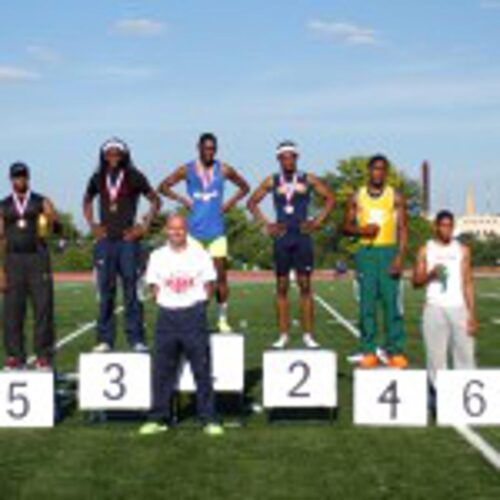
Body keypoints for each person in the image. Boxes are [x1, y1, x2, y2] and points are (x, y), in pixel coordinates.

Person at [139, 214, 224, 437]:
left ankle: (208, 418)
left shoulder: (200, 255)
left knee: (202, 370)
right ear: (166, 230)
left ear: (186, 231)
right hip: (167, 317)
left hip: (193, 315)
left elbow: (210, 283)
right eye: (172, 229)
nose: (176, 232)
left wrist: (198, 304)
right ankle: (158, 417)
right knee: (162, 371)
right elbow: (154, 286)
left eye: (180, 229)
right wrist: (165, 301)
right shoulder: (157, 256)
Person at [158, 133, 250, 333]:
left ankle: (223, 319)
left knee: (220, 277)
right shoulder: (187, 169)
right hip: (194, 233)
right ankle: (195, 319)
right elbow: (163, 186)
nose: (209, 152)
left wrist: (228, 205)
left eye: (212, 149)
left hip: (216, 231)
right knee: (195, 278)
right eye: (206, 148)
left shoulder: (223, 169)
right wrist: (182, 200)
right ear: (198, 148)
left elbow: (245, 187)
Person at [247, 141, 335, 349]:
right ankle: (283, 335)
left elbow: (330, 198)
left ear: (297, 158)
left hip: (302, 236)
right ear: (278, 159)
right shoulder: (272, 180)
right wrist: (267, 224)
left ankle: (308, 335)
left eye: (292, 156)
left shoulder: (307, 178)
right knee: (281, 287)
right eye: (284, 157)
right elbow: (251, 202)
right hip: (282, 237)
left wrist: (318, 221)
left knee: (306, 286)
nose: (288, 160)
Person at [83, 138, 161, 353]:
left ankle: (136, 338)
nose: (113, 157)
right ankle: (105, 339)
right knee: (105, 291)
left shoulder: (134, 176)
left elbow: (155, 200)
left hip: (128, 241)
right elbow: (87, 200)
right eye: (109, 153)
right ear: (103, 156)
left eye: (117, 153)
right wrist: (92, 225)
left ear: (125, 155)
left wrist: (143, 226)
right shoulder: (98, 177)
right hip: (105, 241)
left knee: (131, 291)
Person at [343, 154, 409, 368]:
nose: (378, 173)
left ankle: (395, 350)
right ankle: (368, 349)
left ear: (386, 172)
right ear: (369, 171)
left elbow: (403, 228)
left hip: (389, 251)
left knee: (392, 304)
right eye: (375, 169)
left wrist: (399, 257)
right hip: (367, 254)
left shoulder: (395, 196)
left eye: (382, 169)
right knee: (367, 305)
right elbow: (345, 227)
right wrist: (362, 230)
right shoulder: (357, 196)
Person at [0, 162, 61, 369]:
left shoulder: (40, 201)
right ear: (11, 179)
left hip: (37, 259)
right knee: (12, 311)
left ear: (28, 178)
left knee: (43, 308)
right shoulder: (4, 205)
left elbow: (57, 226)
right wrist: (0, 271)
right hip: (13, 261)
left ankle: (43, 355)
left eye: (23, 176)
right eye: (16, 177)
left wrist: (52, 218)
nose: (20, 180)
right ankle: (15, 356)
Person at [413, 210, 478, 388]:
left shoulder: (463, 250)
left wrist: (472, 314)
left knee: (465, 356)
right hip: (434, 308)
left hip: (459, 308)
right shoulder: (425, 249)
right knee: (436, 359)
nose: (447, 230)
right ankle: (439, 398)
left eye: (450, 226)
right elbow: (416, 282)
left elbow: (468, 283)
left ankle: (464, 396)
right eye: (443, 226)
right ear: (436, 227)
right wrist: (430, 275)